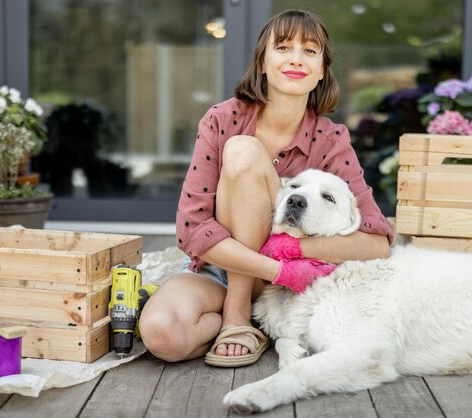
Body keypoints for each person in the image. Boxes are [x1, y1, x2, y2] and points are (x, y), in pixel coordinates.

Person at [139, 9, 393, 367]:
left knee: (243, 151)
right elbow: (191, 229)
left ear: (322, 70)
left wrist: (290, 251)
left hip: (283, 289)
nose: (295, 59)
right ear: (262, 62)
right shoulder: (222, 119)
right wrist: (277, 268)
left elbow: (376, 242)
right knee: (162, 335)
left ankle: (239, 316)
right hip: (222, 270)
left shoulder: (332, 140)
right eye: (284, 47)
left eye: (309, 51)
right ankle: (236, 313)